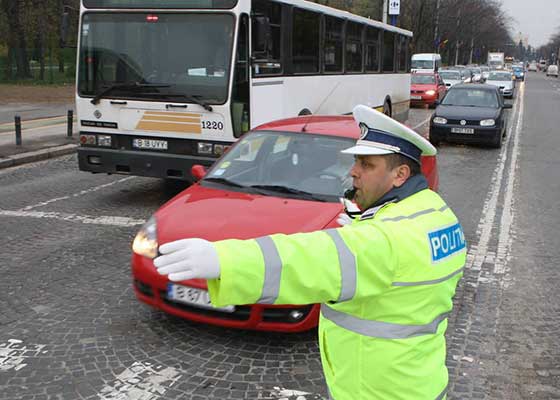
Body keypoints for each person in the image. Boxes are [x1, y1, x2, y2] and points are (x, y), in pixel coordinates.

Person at [153, 105, 467, 400]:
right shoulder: (436, 213)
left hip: (377, 389)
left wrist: (224, 260)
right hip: (419, 379)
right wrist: (363, 230)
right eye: (356, 161)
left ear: (400, 175)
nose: (353, 172)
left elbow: (305, 258)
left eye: (366, 165)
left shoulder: (385, 240)